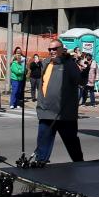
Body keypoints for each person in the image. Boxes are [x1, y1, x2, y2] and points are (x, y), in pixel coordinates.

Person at [34, 39, 85, 167]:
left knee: (72, 145)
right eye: (49, 49)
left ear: (62, 49)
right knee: (42, 147)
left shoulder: (69, 64)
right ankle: (40, 170)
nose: (52, 51)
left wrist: (85, 69)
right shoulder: (46, 63)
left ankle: (81, 167)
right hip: (46, 113)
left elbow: (80, 81)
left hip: (65, 115)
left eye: (55, 49)